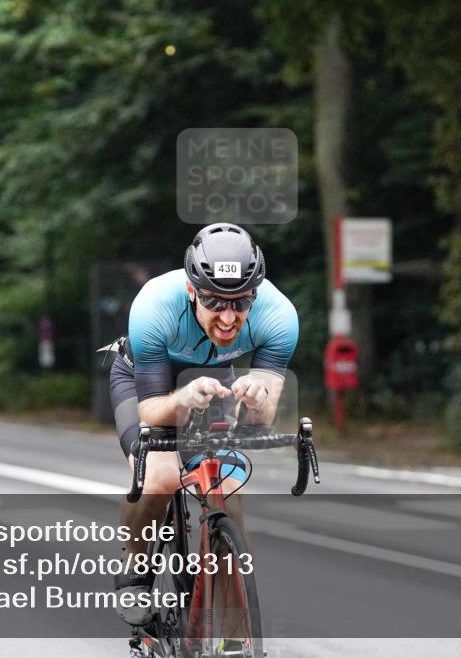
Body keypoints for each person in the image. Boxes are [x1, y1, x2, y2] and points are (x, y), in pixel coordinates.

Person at [108, 223, 299, 626]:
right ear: (193, 291)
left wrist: (256, 397)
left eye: (241, 302)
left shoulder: (279, 316)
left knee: (228, 492)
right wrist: (182, 399)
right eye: (214, 301)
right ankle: (136, 573)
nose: (229, 318)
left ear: (255, 294)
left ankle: (234, 638)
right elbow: (152, 410)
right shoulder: (154, 305)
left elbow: (261, 419)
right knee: (160, 478)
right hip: (144, 381)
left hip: (214, 383)